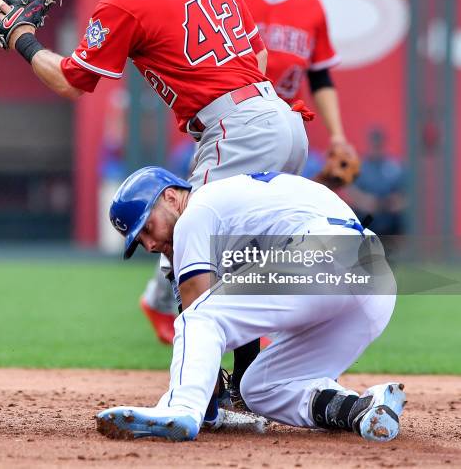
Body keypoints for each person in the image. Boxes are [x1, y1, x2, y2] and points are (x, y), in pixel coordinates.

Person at [0, 0, 309, 401]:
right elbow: (261, 59)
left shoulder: (125, 0)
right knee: (245, 257)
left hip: (237, 130)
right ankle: (257, 384)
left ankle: (203, 392)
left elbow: (72, 82)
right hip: (283, 121)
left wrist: (20, 38)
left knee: (191, 247)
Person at [97, 166, 405, 442]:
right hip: (372, 279)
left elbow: (196, 307)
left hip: (322, 253)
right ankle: (362, 409)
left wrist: (204, 405)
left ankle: (180, 407)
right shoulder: (224, 207)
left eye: (147, 228)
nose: (149, 245)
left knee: (199, 319)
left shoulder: (195, 213)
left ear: (170, 197)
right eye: (140, 242)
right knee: (261, 387)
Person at [238, 0, 354, 157]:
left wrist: (337, 135)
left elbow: (320, 76)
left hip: (288, 123)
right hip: (236, 121)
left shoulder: (311, 5)